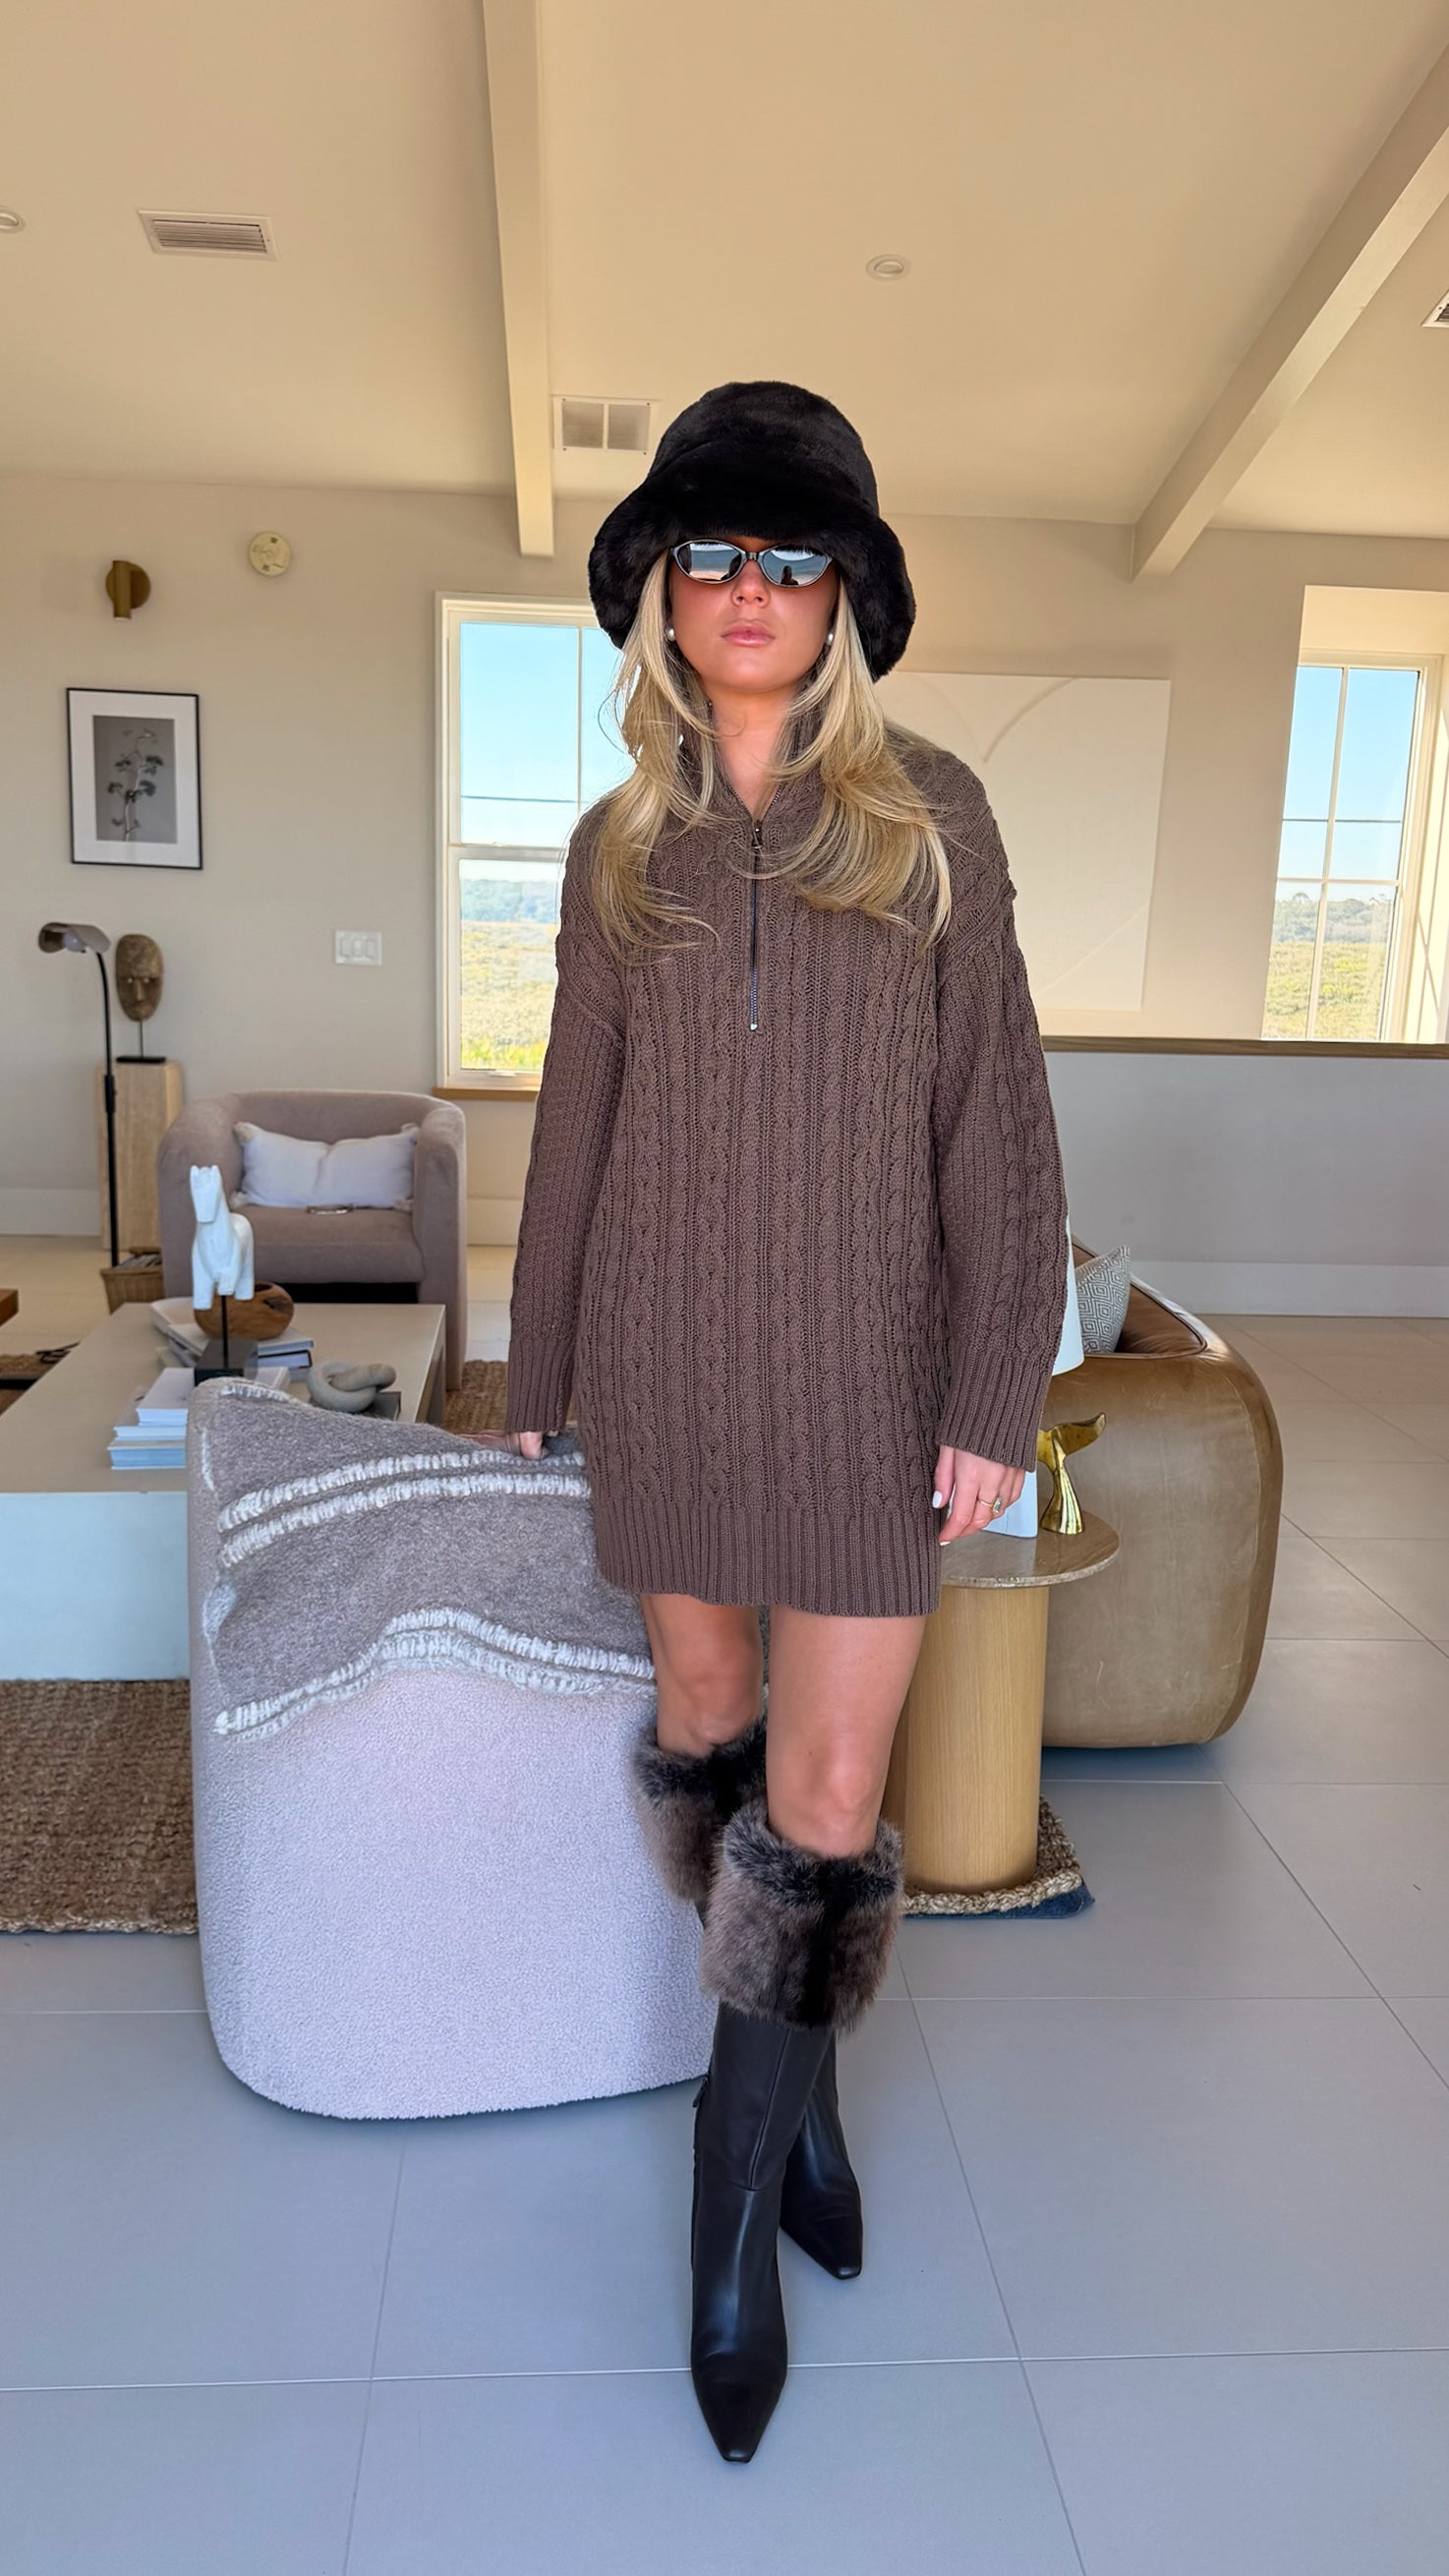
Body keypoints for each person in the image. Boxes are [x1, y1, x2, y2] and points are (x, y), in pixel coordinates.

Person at [498, 379, 1069, 2460]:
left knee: (826, 1792)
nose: (748, 589)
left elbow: (997, 1126)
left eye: (790, 557)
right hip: (660, 1369)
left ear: (841, 601)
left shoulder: (931, 817)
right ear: (663, 589)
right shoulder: (616, 845)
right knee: (710, 1726)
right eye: (712, 552)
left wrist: (992, 1380)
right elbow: (574, 1126)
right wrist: (534, 1367)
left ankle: (720, 2247)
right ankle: (801, 2107)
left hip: (862, 1386)